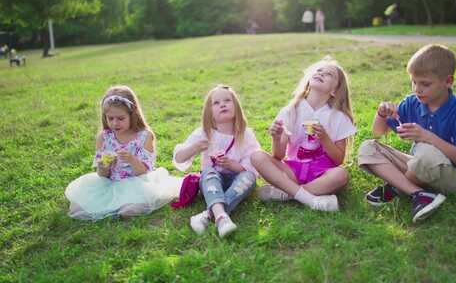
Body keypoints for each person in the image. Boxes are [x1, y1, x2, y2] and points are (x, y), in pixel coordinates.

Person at [357, 44, 456, 223]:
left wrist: (427, 137)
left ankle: (396, 188)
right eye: (414, 81)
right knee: (368, 147)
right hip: (418, 166)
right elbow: (378, 132)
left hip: (450, 175)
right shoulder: (412, 102)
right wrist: (381, 114)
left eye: (425, 84)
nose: (417, 89)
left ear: (448, 81)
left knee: (424, 151)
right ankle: (418, 193)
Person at [251, 56, 356, 212]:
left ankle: (286, 193)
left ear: (334, 90)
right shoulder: (290, 110)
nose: (321, 73)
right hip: (293, 169)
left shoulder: (339, 117)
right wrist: (276, 137)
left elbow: (339, 159)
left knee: (341, 175)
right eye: (319, 70)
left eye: (329, 74)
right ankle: (311, 199)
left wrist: (325, 139)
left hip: (322, 173)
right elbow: (278, 155)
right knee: (257, 156)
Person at [65, 85, 181, 220]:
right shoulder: (104, 137)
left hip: (137, 183)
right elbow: (102, 175)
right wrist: (104, 167)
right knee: (79, 208)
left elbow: (144, 172)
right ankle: (113, 205)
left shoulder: (144, 136)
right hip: (110, 184)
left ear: (133, 115)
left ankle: (127, 208)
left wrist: (132, 160)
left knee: (129, 211)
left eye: (120, 118)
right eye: (110, 118)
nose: (115, 123)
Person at [173, 85, 260, 238]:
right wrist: (195, 148)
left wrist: (232, 165)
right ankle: (221, 217)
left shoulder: (245, 134)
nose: (222, 104)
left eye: (227, 100)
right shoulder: (204, 133)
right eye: (216, 103)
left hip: (237, 180)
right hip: (211, 182)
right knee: (208, 172)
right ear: (210, 112)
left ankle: (208, 215)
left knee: (249, 178)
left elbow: (253, 166)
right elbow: (179, 158)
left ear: (236, 107)